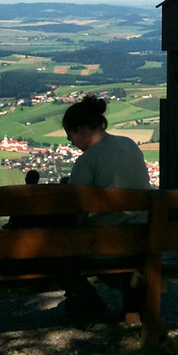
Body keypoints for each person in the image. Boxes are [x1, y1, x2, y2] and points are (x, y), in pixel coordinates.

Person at [61, 94, 152, 324]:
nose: (72, 143)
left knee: (56, 247)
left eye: (70, 137)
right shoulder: (130, 145)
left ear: (81, 129)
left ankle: (90, 305)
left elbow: (74, 210)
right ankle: (132, 312)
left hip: (103, 246)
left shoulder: (88, 161)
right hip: (143, 239)